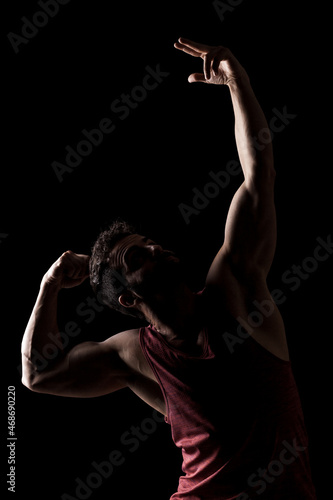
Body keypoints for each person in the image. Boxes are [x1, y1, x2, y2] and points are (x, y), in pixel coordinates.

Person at [21, 38, 317, 499]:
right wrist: (50, 286)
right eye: (137, 257)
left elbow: (259, 177)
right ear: (128, 298)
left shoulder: (233, 287)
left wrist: (237, 81)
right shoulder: (131, 356)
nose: (155, 249)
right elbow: (37, 376)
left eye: (148, 243)